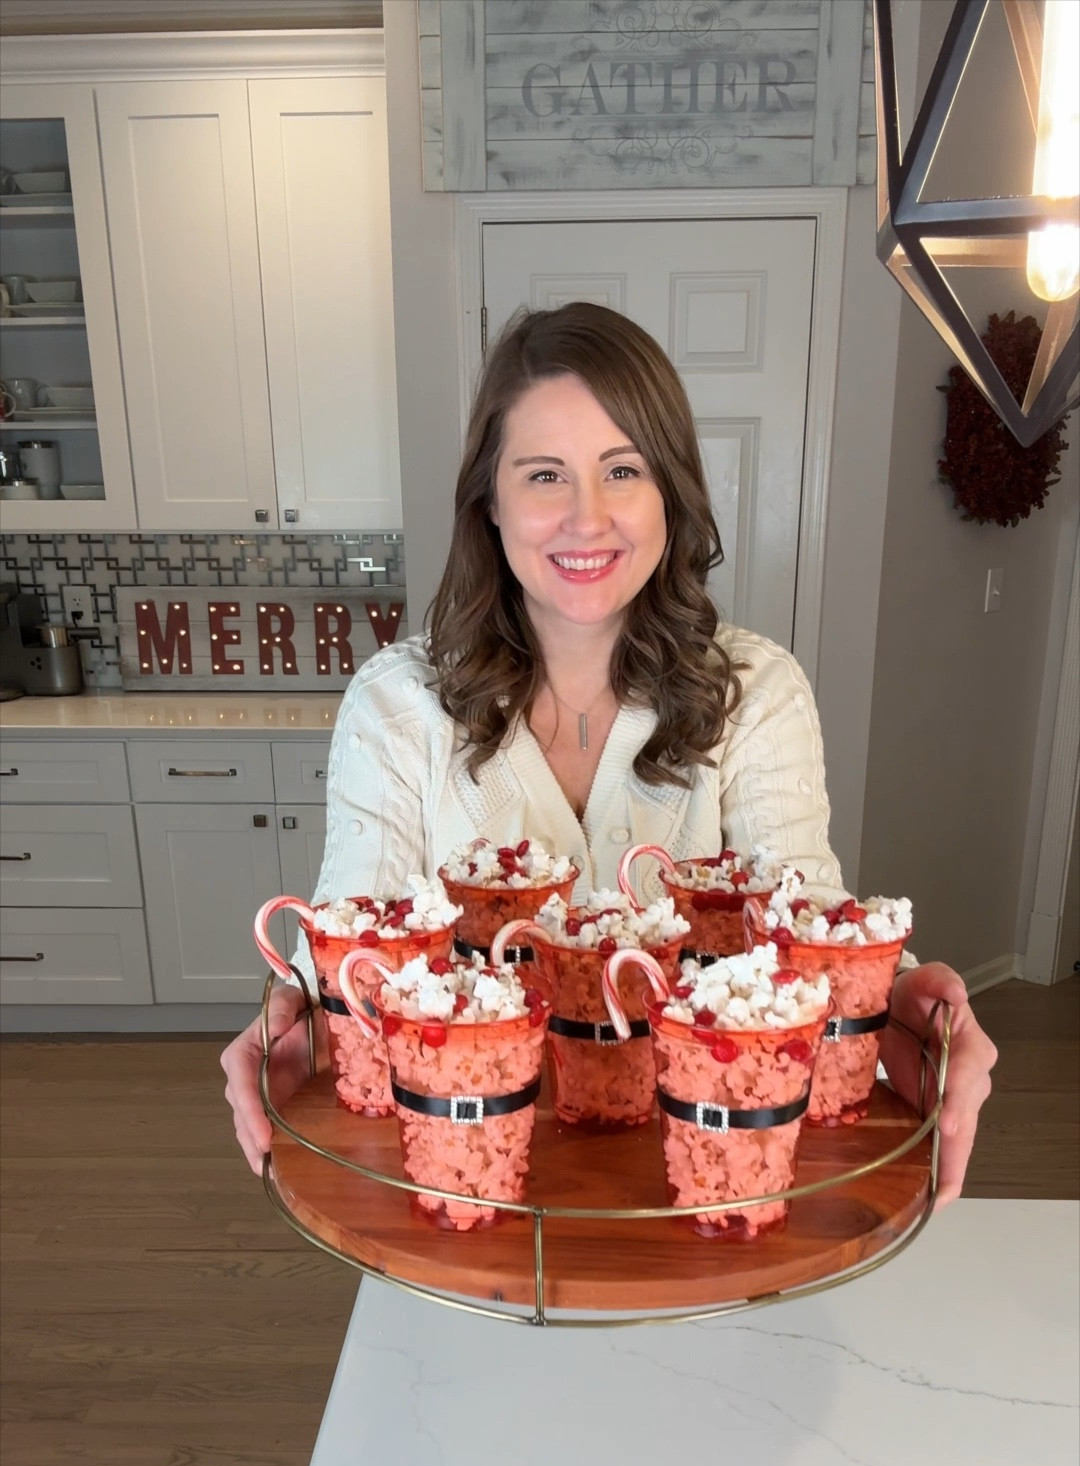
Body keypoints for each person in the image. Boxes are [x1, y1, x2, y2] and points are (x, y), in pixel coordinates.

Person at [222, 303, 995, 1197]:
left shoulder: (757, 692)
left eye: (622, 469)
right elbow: (351, 951)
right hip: (457, 1193)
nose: (587, 519)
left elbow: (805, 916)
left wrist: (891, 1001)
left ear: (669, 491)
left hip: (707, 1193)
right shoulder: (397, 706)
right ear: (490, 501)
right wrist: (301, 1022)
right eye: (545, 475)